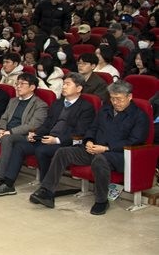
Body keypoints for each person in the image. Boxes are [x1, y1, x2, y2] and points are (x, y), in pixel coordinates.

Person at [30, 81, 148, 215]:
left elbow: (135, 141)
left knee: (100, 160)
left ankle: (101, 200)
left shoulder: (139, 116)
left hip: (118, 154)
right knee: (63, 152)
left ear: (129, 97)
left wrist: (106, 148)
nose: (115, 102)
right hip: (94, 149)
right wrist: (89, 140)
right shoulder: (105, 110)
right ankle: (47, 191)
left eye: (119, 99)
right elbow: (92, 128)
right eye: (112, 99)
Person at [0, 74, 96, 197]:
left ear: (78, 88)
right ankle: (8, 184)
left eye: (67, 84)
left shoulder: (86, 107)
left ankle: (45, 187)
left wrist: (56, 140)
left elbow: (80, 132)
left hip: (64, 143)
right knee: (20, 146)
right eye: (63, 84)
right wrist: (36, 133)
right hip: (47, 138)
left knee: (42, 150)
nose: (63, 87)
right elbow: (47, 124)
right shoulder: (57, 103)